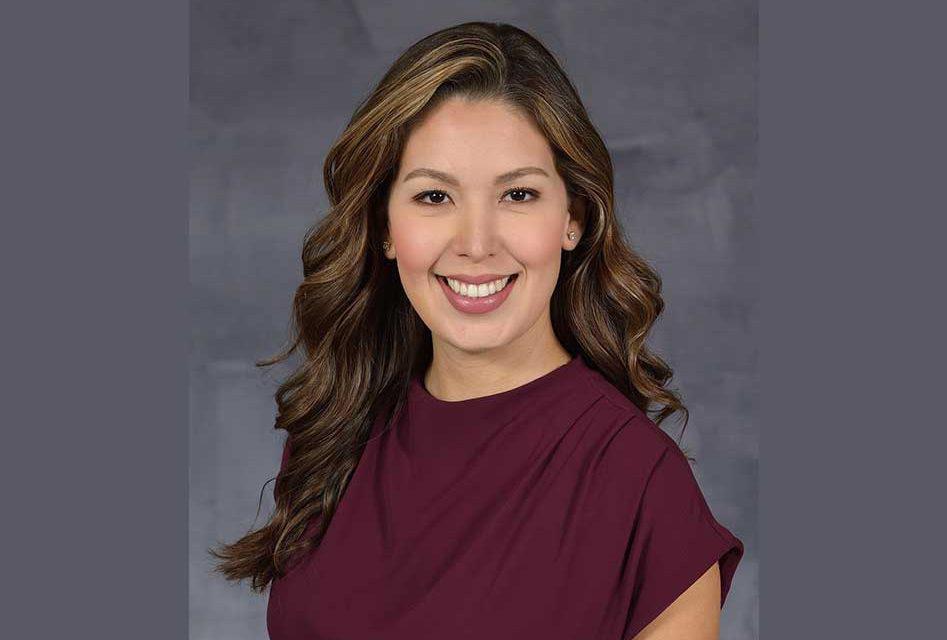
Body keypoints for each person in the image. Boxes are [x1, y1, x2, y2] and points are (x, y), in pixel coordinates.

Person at [211, 21, 744, 640]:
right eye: (435, 197)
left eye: (517, 194)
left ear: (572, 218)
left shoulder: (642, 487)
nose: (476, 244)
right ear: (384, 226)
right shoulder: (335, 436)